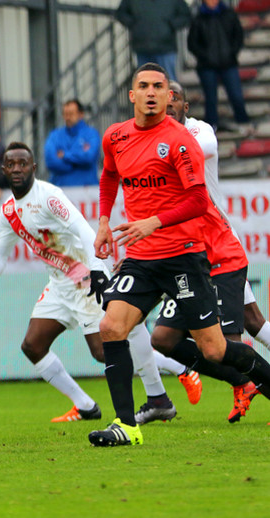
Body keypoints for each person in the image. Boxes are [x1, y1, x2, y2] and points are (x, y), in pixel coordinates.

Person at [90, 63, 270, 447]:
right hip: (142, 257)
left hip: (184, 256)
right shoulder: (115, 136)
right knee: (111, 328)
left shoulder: (180, 139)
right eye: (144, 86)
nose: (152, 92)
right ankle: (126, 426)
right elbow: (109, 175)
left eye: (159, 86)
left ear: (170, 97)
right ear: (132, 95)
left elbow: (198, 200)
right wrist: (104, 222)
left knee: (215, 348)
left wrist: (153, 221)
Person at [0, 142, 174, 423]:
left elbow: (82, 228)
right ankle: (85, 406)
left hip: (84, 280)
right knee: (32, 346)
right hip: (59, 285)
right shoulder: (8, 211)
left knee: (104, 351)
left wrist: (97, 270)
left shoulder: (50, 197)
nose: (17, 168)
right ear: (4, 169)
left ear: (33, 168)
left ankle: (177, 368)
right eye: (11, 164)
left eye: (23, 163)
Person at [145, 81, 262, 425]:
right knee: (165, 337)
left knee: (233, 337)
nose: (169, 105)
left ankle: (252, 382)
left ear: (184, 105)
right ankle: (242, 382)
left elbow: (202, 147)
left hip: (216, 244)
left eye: (175, 98)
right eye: (164, 99)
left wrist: (156, 144)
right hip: (185, 251)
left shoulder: (199, 131)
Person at [187, 0, 251, 133]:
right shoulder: (198, 17)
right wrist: (205, 56)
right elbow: (192, 43)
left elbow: (238, 35)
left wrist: (231, 52)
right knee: (210, 98)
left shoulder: (229, 14)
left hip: (228, 63)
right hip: (206, 66)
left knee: (236, 95)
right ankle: (211, 127)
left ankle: (243, 122)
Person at [115, 0, 191, 81]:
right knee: (146, 82)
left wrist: (171, 25)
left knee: (168, 81)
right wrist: (135, 25)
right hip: (143, 47)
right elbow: (121, 13)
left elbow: (186, 16)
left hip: (165, 47)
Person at [43, 100, 101, 186]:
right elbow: (50, 161)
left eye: (71, 114)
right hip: (61, 191)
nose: (67, 117)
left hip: (87, 193)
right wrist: (76, 164)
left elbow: (89, 157)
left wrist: (65, 155)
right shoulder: (55, 135)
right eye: (65, 114)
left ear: (81, 114)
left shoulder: (92, 134)